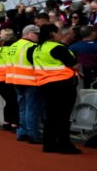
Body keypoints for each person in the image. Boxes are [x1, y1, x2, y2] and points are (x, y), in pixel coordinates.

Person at [35, 25, 80, 154]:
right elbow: (74, 65)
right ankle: (64, 144)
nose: (61, 34)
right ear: (52, 34)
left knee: (51, 116)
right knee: (63, 116)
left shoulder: (38, 48)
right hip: (63, 85)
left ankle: (49, 144)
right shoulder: (57, 47)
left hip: (45, 84)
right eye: (58, 32)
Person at [6, 25, 42, 145]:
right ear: (29, 33)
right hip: (30, 80)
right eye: (36, 34)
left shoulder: (14, 46)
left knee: (23, 108)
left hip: (16, 80)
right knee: (32, 109)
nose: (38, 36)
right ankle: (33, 134)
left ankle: (22, 132)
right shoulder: (31, 46)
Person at [0, 28, 19, 131]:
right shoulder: (11, 52)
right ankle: (14, 123)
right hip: (8, 79)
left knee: (9, 101)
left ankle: (7, 122)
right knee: (13, 101)